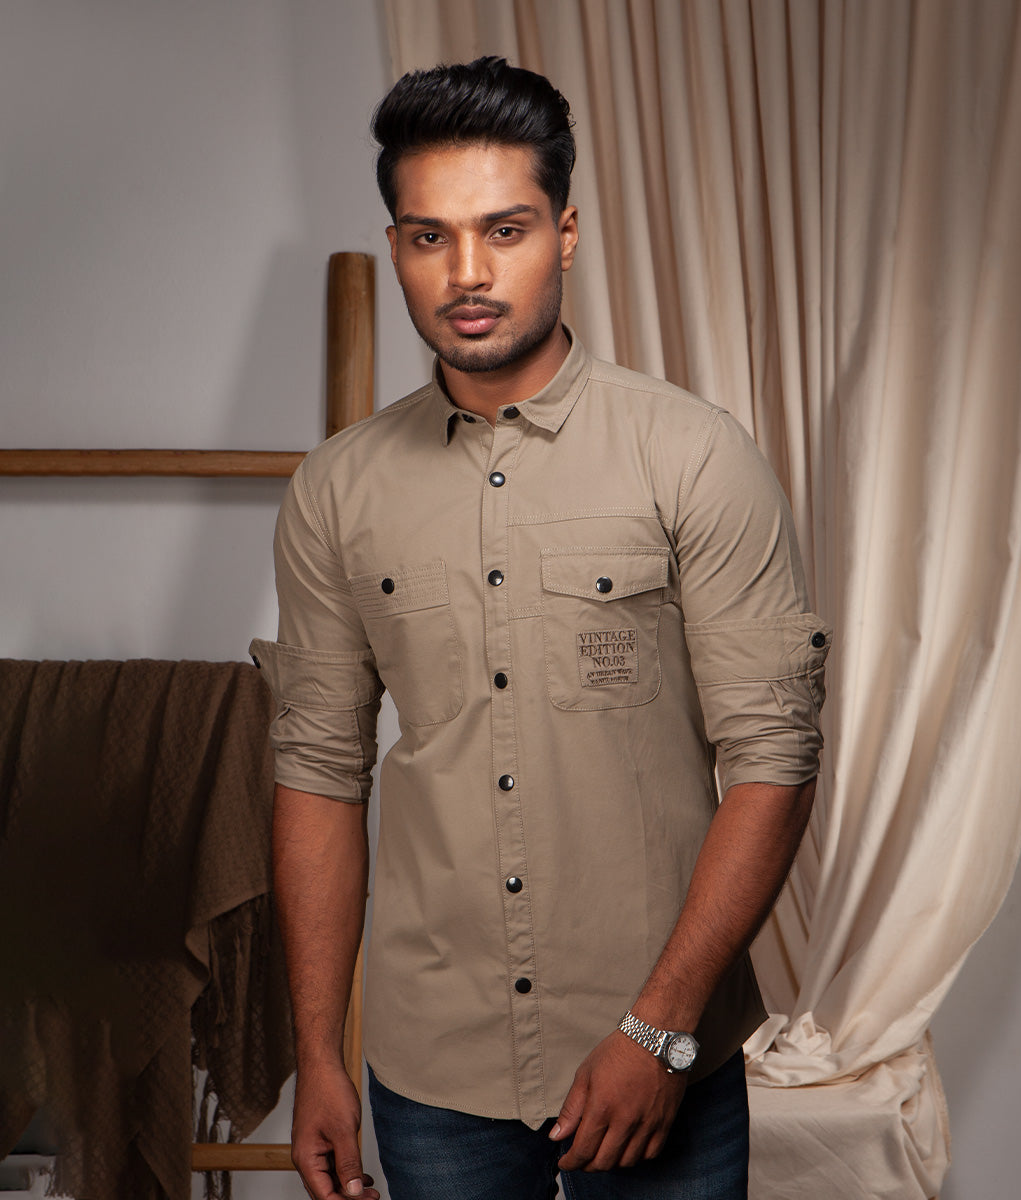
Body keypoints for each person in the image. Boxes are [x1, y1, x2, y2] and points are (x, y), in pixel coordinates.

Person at [250, 55, 830, 1200]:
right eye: (430, 237)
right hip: (434, 1065)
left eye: (503, 230)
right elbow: (318, 775)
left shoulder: (694, 457)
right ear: (396, 246)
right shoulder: (336, 491)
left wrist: (660, 1030)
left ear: (564, 234)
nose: (466, 272)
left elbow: (774, 760)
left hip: (658, 1047)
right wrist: (318, 1055)